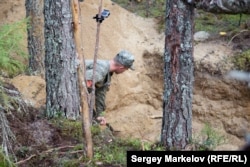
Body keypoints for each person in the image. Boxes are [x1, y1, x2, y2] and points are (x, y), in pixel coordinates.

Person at [85, 50, 135, 125]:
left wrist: (100, 115)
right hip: (68, 94)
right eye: (126, 68)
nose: (125, 71)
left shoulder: (107, 73)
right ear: (121, 67)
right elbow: (81, 85)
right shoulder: (101, 69)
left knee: (93, 117)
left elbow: (100, 94)